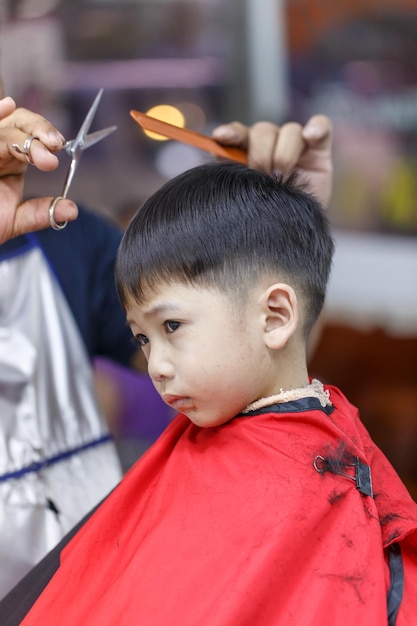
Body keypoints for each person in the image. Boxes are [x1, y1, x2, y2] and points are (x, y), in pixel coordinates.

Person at [2, 127, 417, 626]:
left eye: (171, 326)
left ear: (275, 316)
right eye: (142, 339)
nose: (155, 365)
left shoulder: (320, 480)